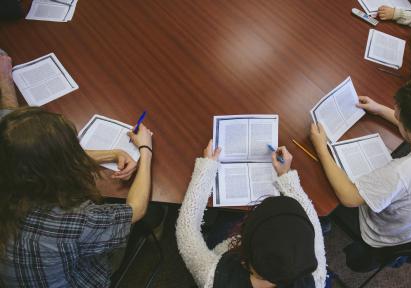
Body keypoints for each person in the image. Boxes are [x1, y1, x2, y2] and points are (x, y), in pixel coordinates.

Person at [0, 107, 154, 287]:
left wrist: (113, 153)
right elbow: (136, 209)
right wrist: (145, 150)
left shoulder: (11, 166)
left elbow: (49, 159)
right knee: (149, 212)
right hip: (77, 280)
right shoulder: (74, 218)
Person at [310, 81, 411, 248]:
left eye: (397, 117)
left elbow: (349, 198)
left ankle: (321, 223)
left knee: (319, 190)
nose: (394, 114)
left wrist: (321, 147)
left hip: (380, 231)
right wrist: (379, 109)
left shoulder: (404, 172)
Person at [176, 141, 327, 288]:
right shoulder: (315, 277)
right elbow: (312, 222)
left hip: (223, 250)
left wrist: (206, 167)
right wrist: (285, 174)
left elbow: (186, 230)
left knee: (227, 218)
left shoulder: (212, 277)